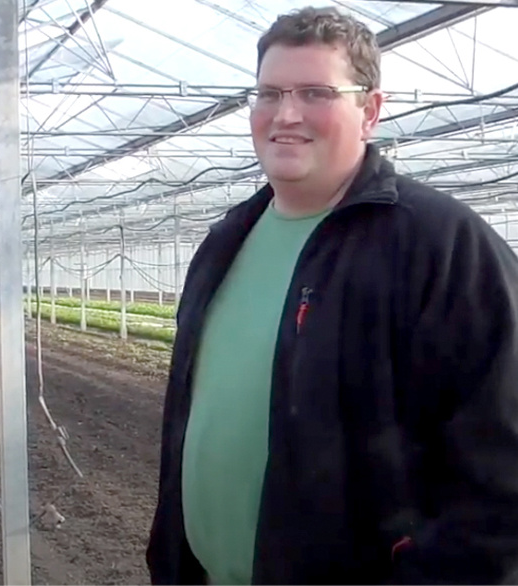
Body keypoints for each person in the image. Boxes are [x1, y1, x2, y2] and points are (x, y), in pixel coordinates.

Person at [147, 6, 518, 585]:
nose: (285, 114)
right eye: (268, 93)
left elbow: (501, 475)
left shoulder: (440, 246)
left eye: (315, 92)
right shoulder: (226, 241)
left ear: (370, 110)